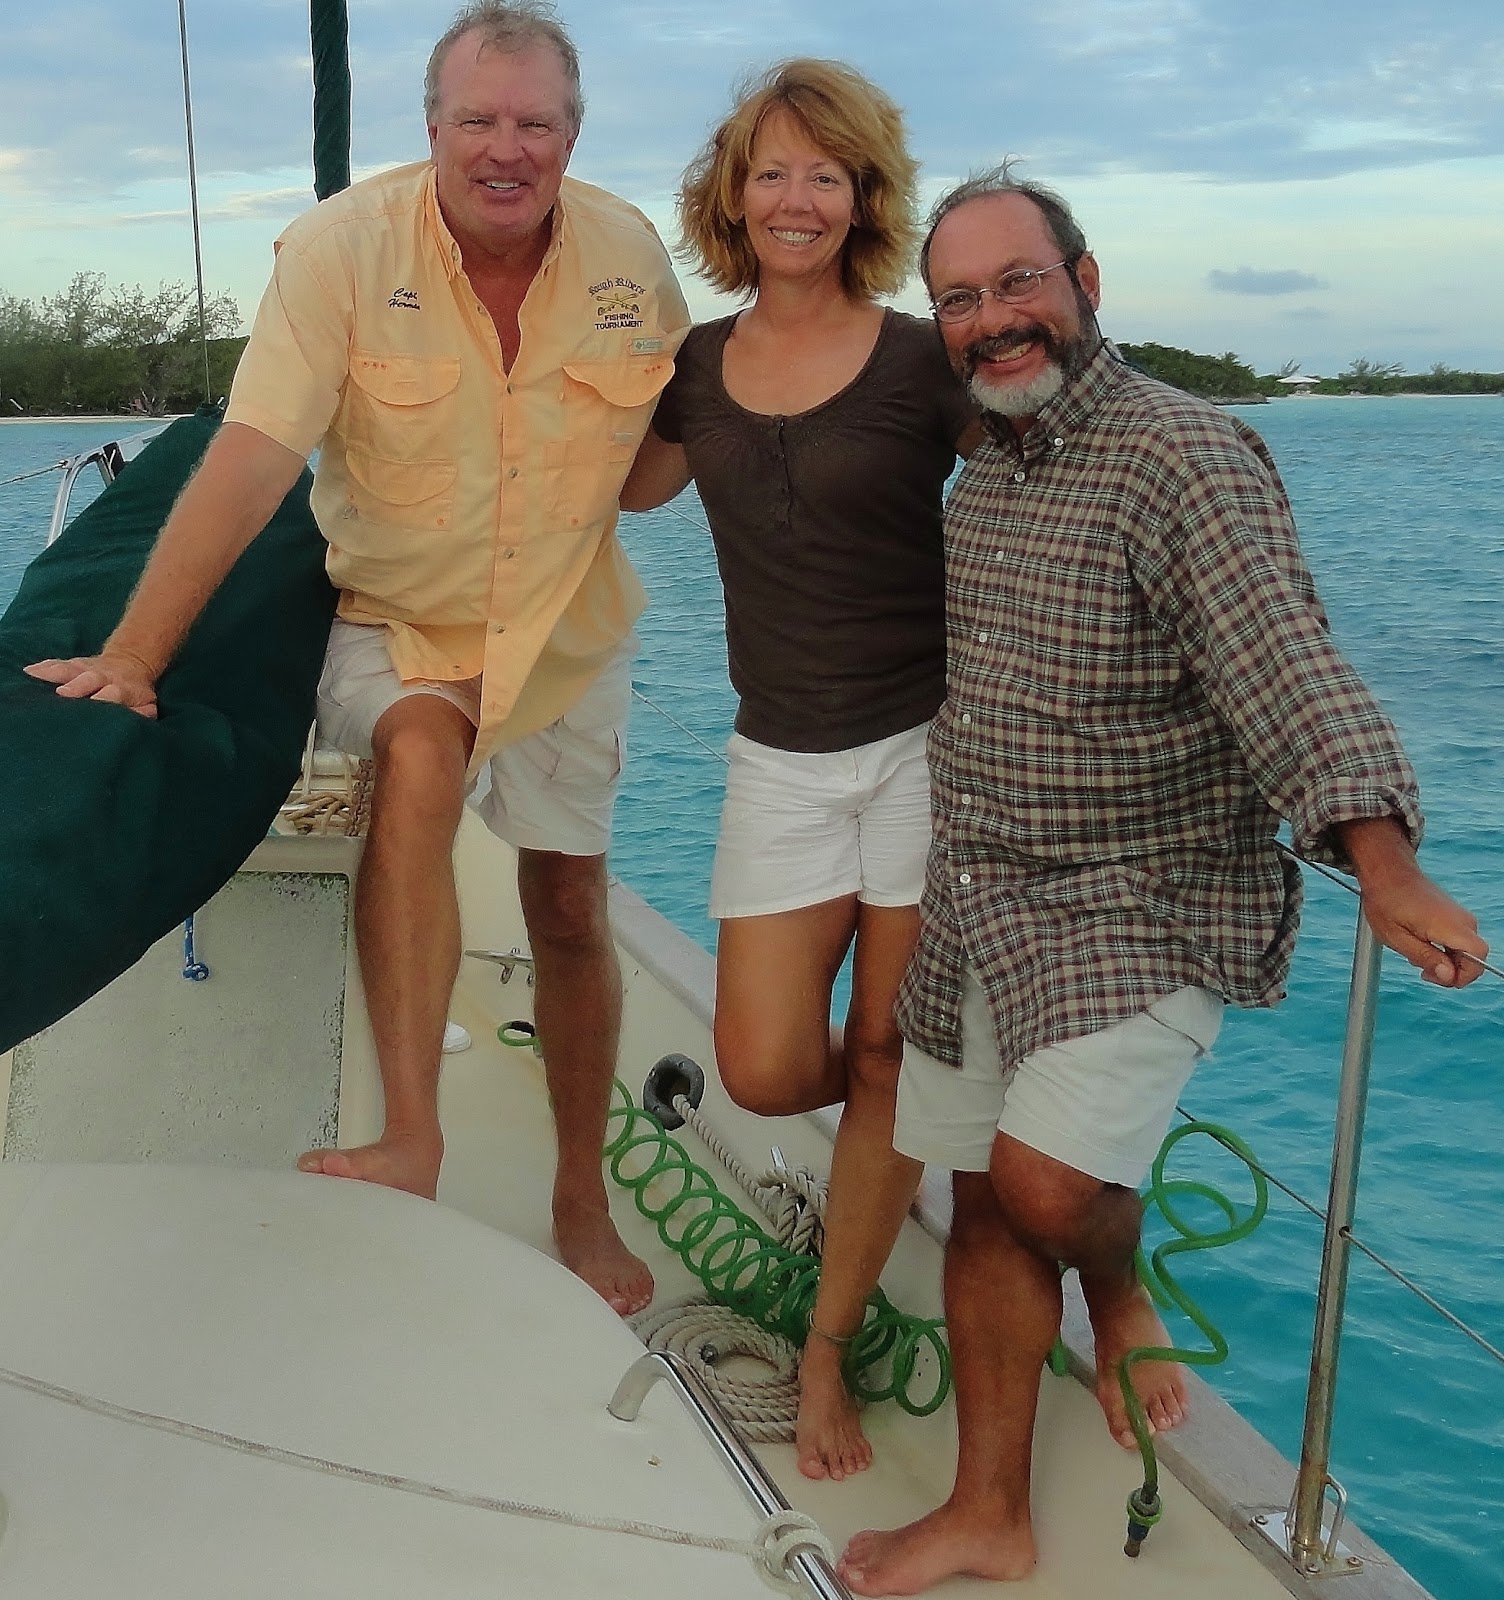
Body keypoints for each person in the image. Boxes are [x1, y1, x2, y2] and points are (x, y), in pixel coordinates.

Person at [836, 167, 1489, 1594]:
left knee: (1044, 1186)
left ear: (1085, 281)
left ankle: (1118, 1285)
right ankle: (989, 1511)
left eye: (1019, 281)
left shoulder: (1182, 455)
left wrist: (1382, 860)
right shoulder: (983, 475)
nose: (993, 319)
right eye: (960, 299)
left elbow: (1283, 661)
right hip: (984, 892)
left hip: (1144, 896)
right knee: (980, 1196)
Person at [24, 1, 690, 1317]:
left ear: (574, 133)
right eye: (478, 120)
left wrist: (754, 426)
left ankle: (581, 1197)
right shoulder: (341, 248)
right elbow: (252, 459)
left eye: (536, 123)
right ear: (432, 125)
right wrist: (136, 654)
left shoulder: (628, 253)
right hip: (400, 612)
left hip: (564, 624)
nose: (507, 149)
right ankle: (412, 1139)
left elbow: (653, 473)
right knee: (420, 760)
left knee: (568, 909)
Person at [619, 60, 979, 1480]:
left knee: (884, 1050)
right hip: (779, 756)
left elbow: (1051, 478)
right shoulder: (695, 369)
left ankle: (829, 1342)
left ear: (864, 197)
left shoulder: (919, 361)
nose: (797, 197)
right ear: (732, 196)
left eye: (826, 173)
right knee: (766, 1067)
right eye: (771, 171)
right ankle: (915, 1114)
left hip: (930, 747)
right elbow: (610, 485)